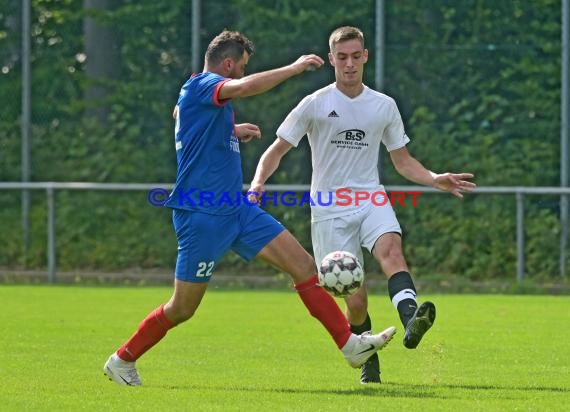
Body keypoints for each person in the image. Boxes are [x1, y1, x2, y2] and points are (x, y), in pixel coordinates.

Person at [103, 30, 397, 386]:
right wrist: (294, 68)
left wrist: (230, 129)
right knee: (182, 308)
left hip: (237, 210)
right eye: (241, 67)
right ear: (228, 64)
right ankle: (123, 359)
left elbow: (181, 115)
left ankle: (349, 346)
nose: (242, 74)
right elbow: (239, 90)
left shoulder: (199, 99)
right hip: (203, 215)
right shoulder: (203, 86)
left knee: (304, 267)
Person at [249, 26, 476, 384]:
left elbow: (402, 161)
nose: (350, 64)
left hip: (370, 197)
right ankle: (369, 359)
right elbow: (275, 150)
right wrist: (259, 182)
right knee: (355, 301)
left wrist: (433, 178)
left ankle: (410, 320)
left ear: (365, 56)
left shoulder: (383, 105)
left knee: (392, 251)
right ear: (331, 60)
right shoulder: (315, 103)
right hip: (328, 210)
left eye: (356, 56)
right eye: (342, 57)